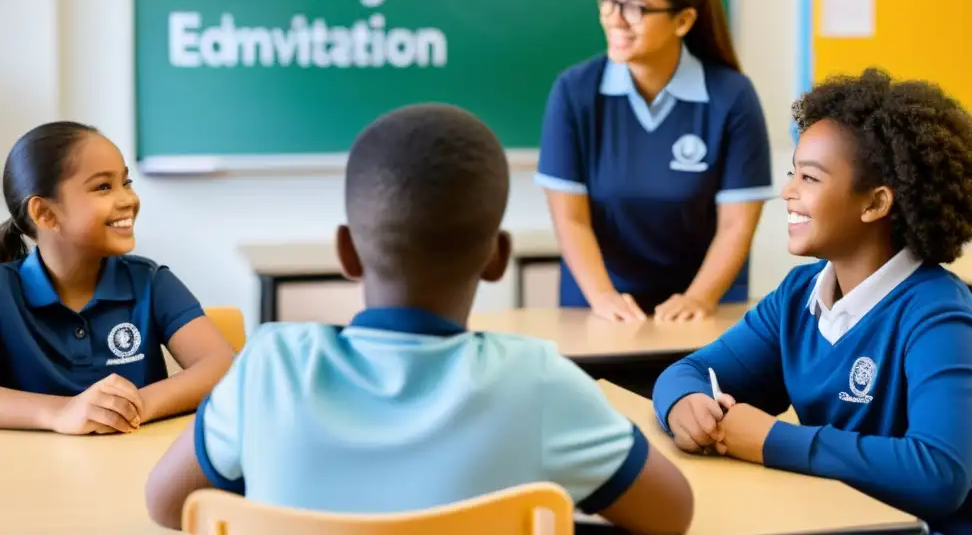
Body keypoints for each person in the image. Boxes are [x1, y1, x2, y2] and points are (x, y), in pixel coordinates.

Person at [145, 104, 694, 534]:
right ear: (499, 258)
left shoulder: (269, 366)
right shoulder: (537, 382)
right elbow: (672, 515)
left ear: (346, 253)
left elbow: (167, 503)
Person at [652, 69, 972, 535]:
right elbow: (686, 372)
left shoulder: (939, 314)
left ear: (874, 204)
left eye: (809, 177)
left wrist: (769, 439)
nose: (787, 191)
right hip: (853, 523)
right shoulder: (797, 296)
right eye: (793, 173)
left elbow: (938, 476)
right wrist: (683, 403)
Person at [536, 0, 773, 322]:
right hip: (600, 310)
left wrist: (698, 299)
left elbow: (737, 226)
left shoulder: (732, 97)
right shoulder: (574, 92)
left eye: (634, 8)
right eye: (609, 0)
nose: (613, 18)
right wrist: (602, 298)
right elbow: (570, 219)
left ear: (683, 20)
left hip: (706, 311)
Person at [0, 121, 234, 435]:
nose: (128, 199)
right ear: (45, 214)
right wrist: (61, 414)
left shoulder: (150, 281)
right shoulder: (4, 290)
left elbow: (222, 364)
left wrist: (134, 405)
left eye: (127, 182)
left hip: (135, 472)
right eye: (104, 187)